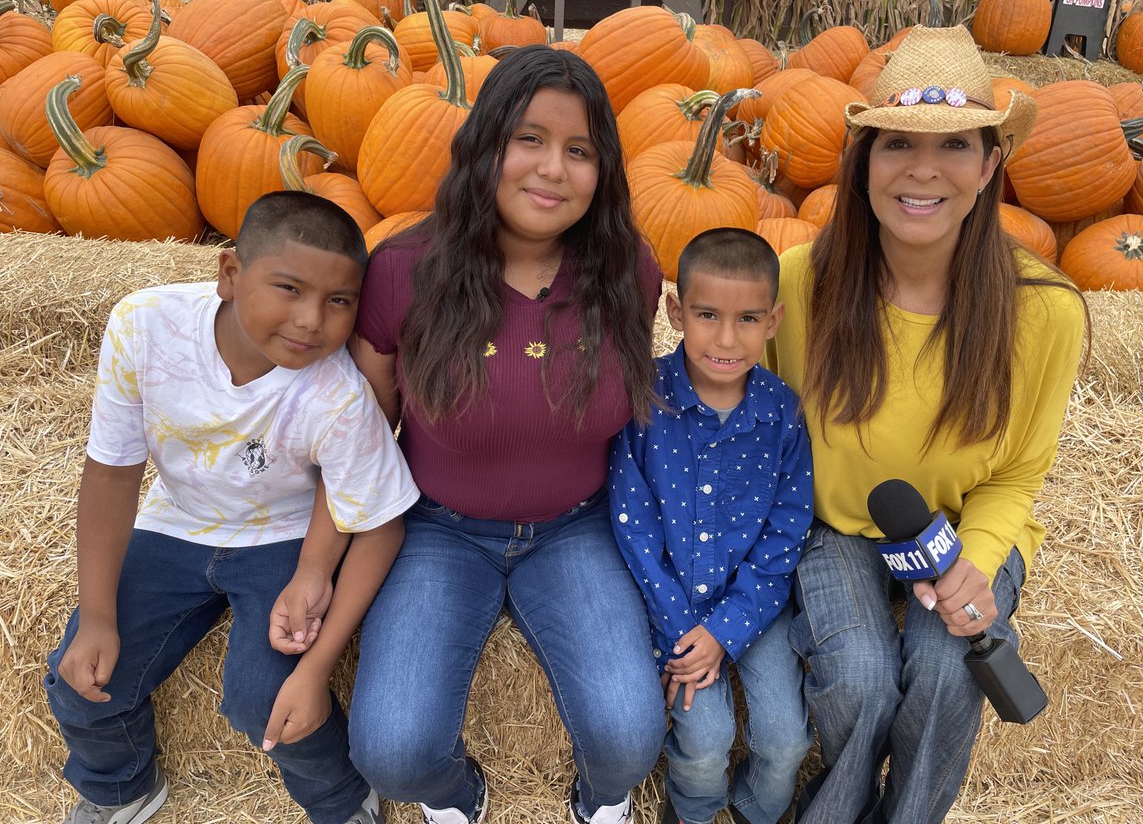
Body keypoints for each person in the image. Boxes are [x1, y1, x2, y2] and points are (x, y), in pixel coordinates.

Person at [767, 25, 1088, 824]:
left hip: (961, 527)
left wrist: (979, 563)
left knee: (949, 675)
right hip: (835, 527)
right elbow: (758, 433)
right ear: (862, 164)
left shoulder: (1042, 310)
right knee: (862, 682)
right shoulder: (798, 285)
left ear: (988, 166)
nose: (921, 170)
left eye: (953, 149)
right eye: (896, 145)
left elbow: (1016, 474)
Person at [347, 44, 666, 824]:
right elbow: (357, 433)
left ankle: (597, 800)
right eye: (529, 139)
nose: (553, 169)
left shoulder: (630, 271)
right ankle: (459, 796)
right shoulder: (402, 272)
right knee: (390, 751)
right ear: (486, 144)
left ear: (604, 171)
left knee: (630, 740)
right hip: (438, 529)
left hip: (576, 528)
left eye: (580, 150)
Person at [44, 191, 419, 824]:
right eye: (289, 288)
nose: (309, 321)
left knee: (265, 700)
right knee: (77, 676)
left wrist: (313, 574)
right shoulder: (144, 326)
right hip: (176, 521)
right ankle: (122, 785)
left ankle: (339, 797)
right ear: (229, 274)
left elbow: (380, 522)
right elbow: (111, 475)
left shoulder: (339, 393)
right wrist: (100, 614)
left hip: (285, 536)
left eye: (338, 302)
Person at [609, 228, 814, 824]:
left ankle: (757, 811)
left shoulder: (784, 413)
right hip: (670, 606)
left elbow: (785, 534)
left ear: (773, 320)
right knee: (704, 739)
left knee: (785, 739)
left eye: (748, 318)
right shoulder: (644, 400)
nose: (727, 339)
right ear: (676, 312)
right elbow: (633, 528)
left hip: (756, 605)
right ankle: (694, 813)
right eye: (707, 315)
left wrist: (725, 630)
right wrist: (685, 633)